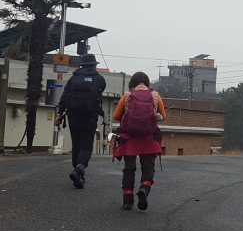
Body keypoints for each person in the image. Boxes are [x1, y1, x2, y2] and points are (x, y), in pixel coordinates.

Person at [112, 72, 167, 211]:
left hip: (129, 138)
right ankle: (144, 188)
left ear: (133, 83)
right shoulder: (155, 96)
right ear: (147, 83)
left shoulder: (127, 96)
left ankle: (128, 199)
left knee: (129, 168)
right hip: (148, 138)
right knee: (148, 167)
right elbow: (163, 116)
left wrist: (129, 118)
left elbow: (116, 115)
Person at [55, 53, 106, 190]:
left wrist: (59, 114)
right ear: (94, 65)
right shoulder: (99, 79)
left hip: (73, 116)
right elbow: (99, 93)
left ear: (82, 65)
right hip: (89, 116)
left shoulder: (73, 79)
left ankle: (77, 172)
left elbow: (64, 97)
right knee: (86, 146)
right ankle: (79, 170)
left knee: (76, 145)